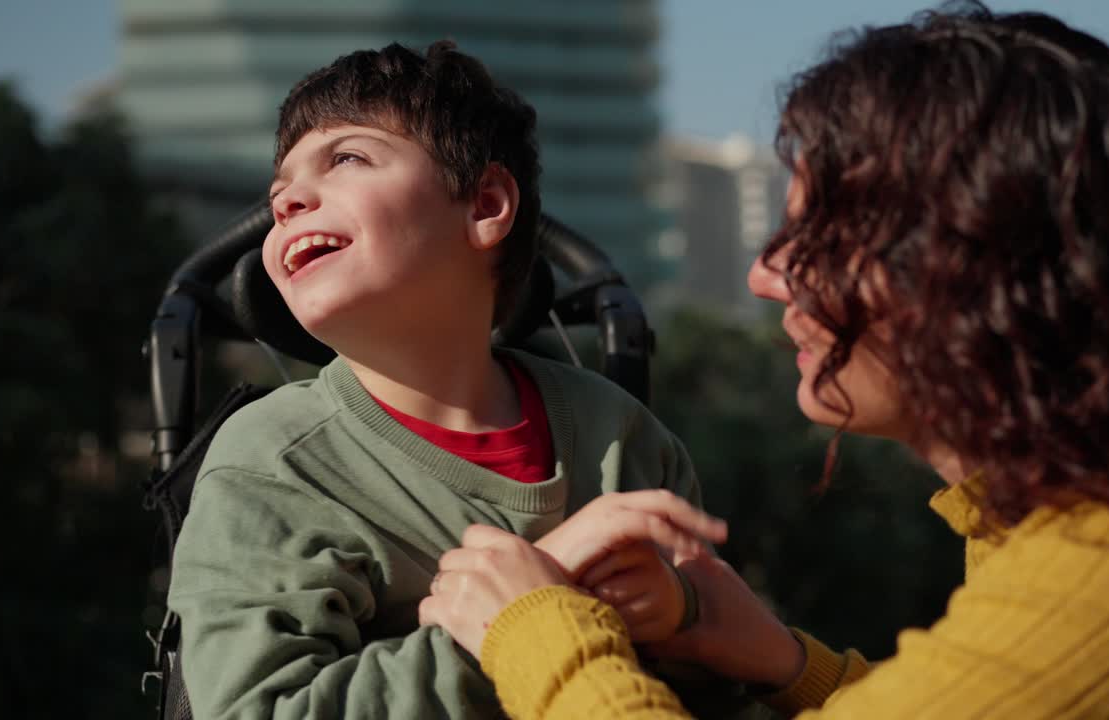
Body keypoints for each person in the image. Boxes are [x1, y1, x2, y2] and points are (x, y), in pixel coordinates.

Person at [419, 4, 1109, 718]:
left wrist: (536, 628)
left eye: (820, 242)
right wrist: (790, 665)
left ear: (975, 271)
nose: (766, 275)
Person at [167, 41, 720, 719]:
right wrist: (524, 615)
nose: (288, 202)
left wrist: (682, 615)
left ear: (485, 204)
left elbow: (725, 677)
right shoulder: (274, 461)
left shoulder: (625, 439)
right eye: (278, 192)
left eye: (347, 158)